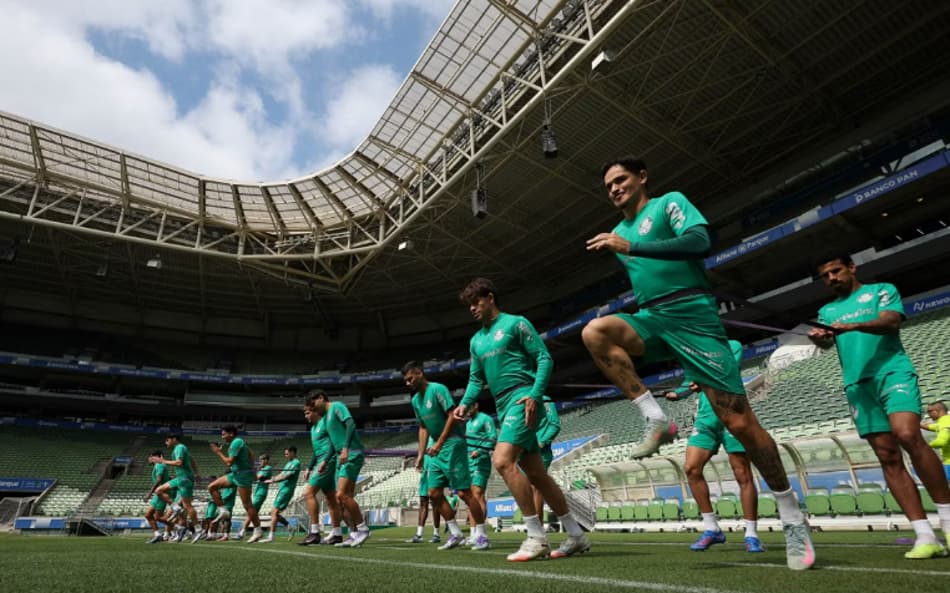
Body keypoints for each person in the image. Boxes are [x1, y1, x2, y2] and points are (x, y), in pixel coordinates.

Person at [582, 157, 813, 570]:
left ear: (642, 178)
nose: (614, 188)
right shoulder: (618, 232)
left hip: (694, 319)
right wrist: (626, 245)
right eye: (608, 186)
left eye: (620, 179)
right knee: (595, 332)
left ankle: (791, 513)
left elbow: (699, 241)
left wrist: (633, 246)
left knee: (740, 424)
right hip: (654, 318)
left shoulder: (668, 203)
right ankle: (656, 419)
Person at [809, 255, 950, 559]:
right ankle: (925, 535)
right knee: (887, 456)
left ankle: (949, 522)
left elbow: (891, 321)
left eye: (836, 271)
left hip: (892, 372)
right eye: (825, 275)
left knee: (907, 434)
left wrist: (853, 325)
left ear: (852, 268)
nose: (831, 278)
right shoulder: (826, 311)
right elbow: (828, 343)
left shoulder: (882, 290)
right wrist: (821, 338)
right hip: (857, 385)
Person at [453, 278, 589, 561]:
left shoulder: (516, 323)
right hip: (503, 406)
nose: (473, 309)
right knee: (537, 475)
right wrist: (464, 403)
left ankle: (536, 537)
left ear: (490, 297)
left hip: (522, 397)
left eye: (476, 302)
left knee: (502, 461)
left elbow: (544, 358)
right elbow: (476, 379)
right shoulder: (476, 341)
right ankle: (576, 535)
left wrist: (535, 395)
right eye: (469, 306)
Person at [663, 340, 764, 553]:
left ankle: (751, 534)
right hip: (706, 419)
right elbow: (689, 383)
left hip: (733, 414)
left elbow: (725, 372)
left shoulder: (732, 345)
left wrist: (702, 381)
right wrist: (678, 393)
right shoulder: (694, 352)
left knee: (742, 474)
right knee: (691, 468)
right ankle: (712, 529)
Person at [404, 361, 490, 550]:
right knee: (433, 493)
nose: (408, 383)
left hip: (452, 444)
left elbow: (452, 415)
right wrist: (420, 455)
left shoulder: (438, 389)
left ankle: (482, 535)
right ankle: (456, 533)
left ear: (419, 373)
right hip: (436, 449)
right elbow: (423, 427)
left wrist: (440, 443)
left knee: (464, 493)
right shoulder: (415, 400)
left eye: (410, 379)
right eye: (406, 381)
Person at [306, 390, 372, 547]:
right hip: (339, 458)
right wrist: (324, 461)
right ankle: (354, 534)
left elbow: (350, 424)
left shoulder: (337, 406)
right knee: (340, 499)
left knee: (341, 494)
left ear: (321, 398)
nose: (313, 408)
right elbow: (333, 443)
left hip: (351, 454)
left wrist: (346, 448)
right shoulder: (325, 418)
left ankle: (363, 529)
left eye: (313, 404)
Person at [299, 402, 346, 546]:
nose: (306, 416)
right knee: (331, 498)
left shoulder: (326, 422)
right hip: (321, 462)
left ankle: (314, 533)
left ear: (315, 412)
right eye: (305, 414)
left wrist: (325, 460)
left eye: (308, 413)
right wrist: (309, 467)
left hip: (328, 461)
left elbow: (333, 442)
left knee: (308, 493)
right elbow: (315, 451)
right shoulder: (313, 429)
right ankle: (337, 534)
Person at [207, 425, 263, 543]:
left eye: (224, 434)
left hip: (242, 475)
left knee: (247, 505)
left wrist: (218, 452)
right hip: (235, 474)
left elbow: (229, 462)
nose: (222, 437)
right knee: (212, 487)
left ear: (231, 433)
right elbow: (251, 454)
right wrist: (253, 469)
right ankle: (223, 510)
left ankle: (258, 530)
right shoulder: (236, 443)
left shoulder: (236, 442)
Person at [149, 433, 201, 542]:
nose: (166, 442)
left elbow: (179, 463)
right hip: (180, 478)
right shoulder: (180, 448)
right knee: (158, 490)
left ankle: (198, 529)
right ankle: (176, 507)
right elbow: (192, 459)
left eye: (167, 440)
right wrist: (196, 473)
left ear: (174, 439)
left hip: (185, 478)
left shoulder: (179, 447)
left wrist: (163, 461)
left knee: (187, 505)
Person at [465, 401, 496, 541]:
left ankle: (481, 532)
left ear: (476, 405)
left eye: (468, 407)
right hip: (468, 462)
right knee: (470, 498)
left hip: (481, 461)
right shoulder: (467, 423)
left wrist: (480, 451)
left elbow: (492, 437)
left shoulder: (486, 419)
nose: (466, 410)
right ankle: (473, 533)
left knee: (477, 495)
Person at [261, 447, 302, 543]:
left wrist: (272, 480)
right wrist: (272, 479)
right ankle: (290, 527)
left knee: (274, 512)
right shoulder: (288, 463)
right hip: (282, 489)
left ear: (293, 452)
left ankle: (271, 537)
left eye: (287, 453)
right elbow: (281, 474)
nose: (285, 455)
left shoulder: (296, 463)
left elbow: (286, 476)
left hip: (287, 490)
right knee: (274, 513)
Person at [406, 437, 442, 544]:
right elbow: (422, 450)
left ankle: (436, 534)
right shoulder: (425, 437)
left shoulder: (438, 434)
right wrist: (416, 457)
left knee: (435, 503)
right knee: (423, 502)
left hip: (435, 469)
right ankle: (419, 534)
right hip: (425, 471)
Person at [532, 395, 560, 531]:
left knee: (536, 488)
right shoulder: (519, 399)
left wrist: (541, 443)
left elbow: (554, 425)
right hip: (525, 452)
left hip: (541, 452)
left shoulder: (545, 399)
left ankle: (537, 531)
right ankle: (535, 530)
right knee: (530, 490)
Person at [236, 454, 272, 540]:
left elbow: (257, 477)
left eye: (261, 460)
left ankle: (242, 532)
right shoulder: (262, 469)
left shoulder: (268, 468)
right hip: (258, 492)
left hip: (261, 493)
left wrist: (251, 471)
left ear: (266, 460)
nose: (260, 462)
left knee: (250, 512)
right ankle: (257, 533)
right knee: (253, 514)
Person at [144, 450, 173, 544]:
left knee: (158, 517)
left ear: (156, 457)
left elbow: (158, 480)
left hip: (161, 494)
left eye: (151, 456)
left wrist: (149, 493)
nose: (149, 459)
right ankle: (157, 535)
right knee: (148, 514)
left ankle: (178, 527)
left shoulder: (159, 465)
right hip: (158, 494)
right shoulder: (158, 466)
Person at [922, 401, 950, 482]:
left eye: (929, 411)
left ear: (936, 411)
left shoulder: (945, 422)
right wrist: (918, 425)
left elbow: (941, 442)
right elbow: (933, 427)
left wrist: (925, 446)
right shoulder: (945, 420)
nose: (928, 414)